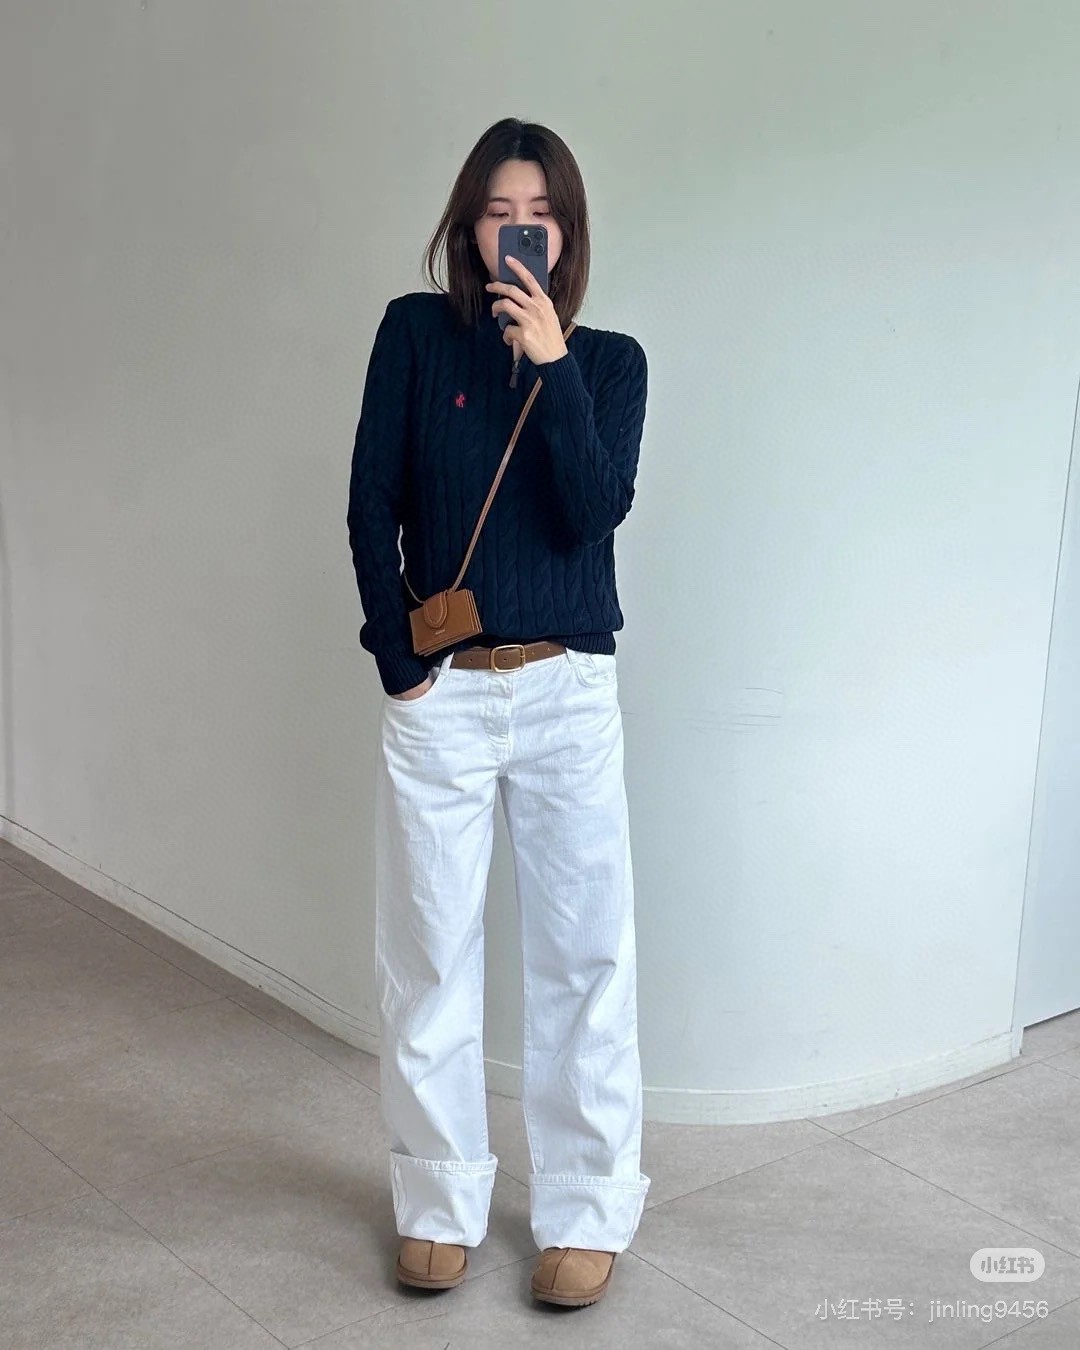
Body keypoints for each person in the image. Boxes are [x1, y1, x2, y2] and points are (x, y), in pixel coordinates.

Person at [346, 117, 650, 1309]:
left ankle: (587, 1206)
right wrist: (398, 663)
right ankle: (436, 1196)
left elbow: (592, 513)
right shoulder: (414, 335)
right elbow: (370, 499)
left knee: (585, 956)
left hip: (568, 691)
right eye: (498, 212)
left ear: (567, 232)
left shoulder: (611, 363)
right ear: (468, 226)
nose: (520, 232)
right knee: (428, 953)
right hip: (445, 696)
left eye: (542, 215)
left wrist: (555, 364)